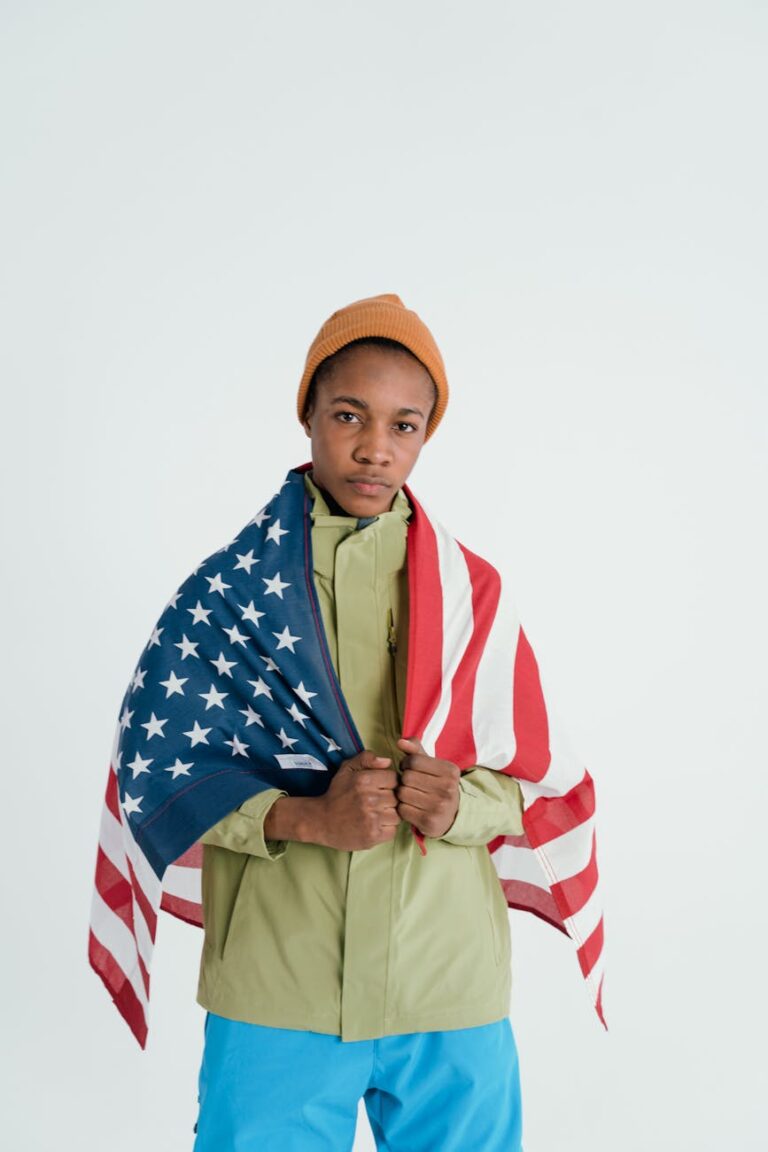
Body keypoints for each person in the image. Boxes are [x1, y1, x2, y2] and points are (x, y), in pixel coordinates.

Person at [89, 292, 605, 1152]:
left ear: (427, 436)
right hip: (278, 987)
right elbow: (162, 774)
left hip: (446, 985)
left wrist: (460, 806)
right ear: (308, 417)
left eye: (404, 425)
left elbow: (541, 779)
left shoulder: (474, 595)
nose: (375, 448)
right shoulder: (227, 598)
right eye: (348, 416)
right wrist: (304, 816)